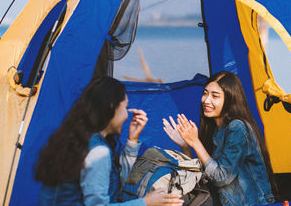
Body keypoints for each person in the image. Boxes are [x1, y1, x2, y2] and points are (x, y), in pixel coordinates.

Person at [35, 76, 183, 206]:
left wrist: (132, 139)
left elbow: (114, 186)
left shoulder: (77, 138)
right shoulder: (98, 151)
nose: (126, 115)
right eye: (125, 107)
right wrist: (146, 202)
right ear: (112, 106)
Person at [163, 71, 275, 206]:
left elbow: (221, 177)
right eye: (205, 93)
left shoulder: (237, 128)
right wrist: (186, 146)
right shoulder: (214, 129)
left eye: (215, 96)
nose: (206, 100)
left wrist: (195, 142)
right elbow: (204, 176)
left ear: (230, 100)